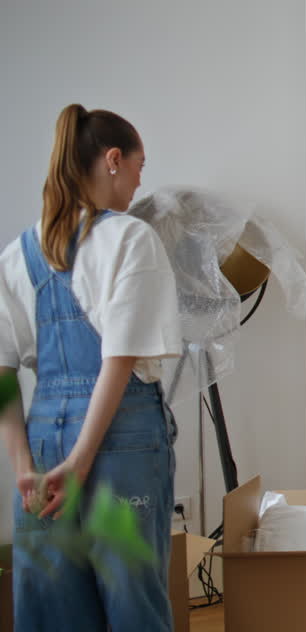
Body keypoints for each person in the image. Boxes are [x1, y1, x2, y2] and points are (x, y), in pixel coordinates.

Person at [0, 104, 182, 630]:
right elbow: (118, 361)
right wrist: (81, 465)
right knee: (132, 602)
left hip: (43, 448)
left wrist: (23, 470)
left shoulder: (18, 255)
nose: (139, 179)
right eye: (139, 165)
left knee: (52, 606)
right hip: (119, 443)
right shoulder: (130, 239)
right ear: (112, 159)